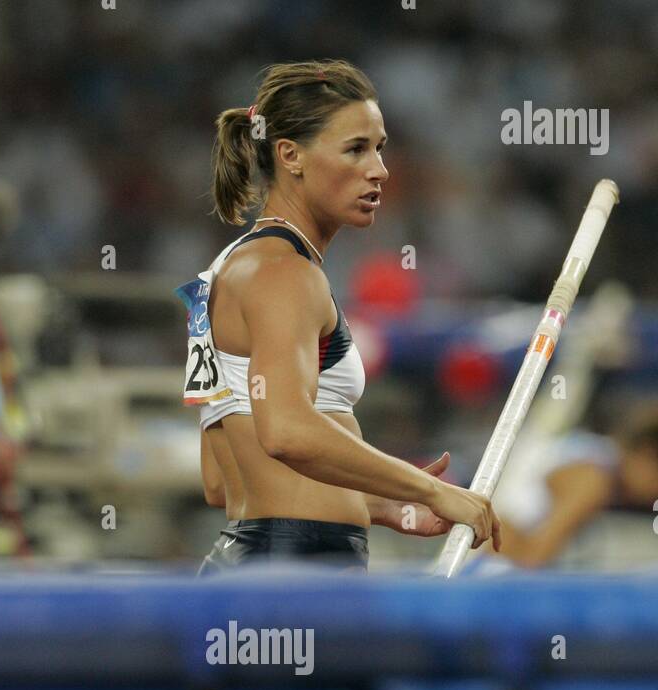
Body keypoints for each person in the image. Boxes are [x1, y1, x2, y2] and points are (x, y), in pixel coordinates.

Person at [173, 59, 500, 574]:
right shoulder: (285, 274)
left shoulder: (220, 274)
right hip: (295, 575)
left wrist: (382, 505)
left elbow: (222, 479)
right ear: (291, 156)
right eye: (355, 149)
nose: (380, 169)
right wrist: (430, 488)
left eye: (379, 148)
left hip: (259, 564)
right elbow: (286, 431)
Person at [484, 402, 658, 569]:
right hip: (483, 566)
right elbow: (531, 559)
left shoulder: (596, 457)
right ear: (650, 456)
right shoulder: (593, 481)